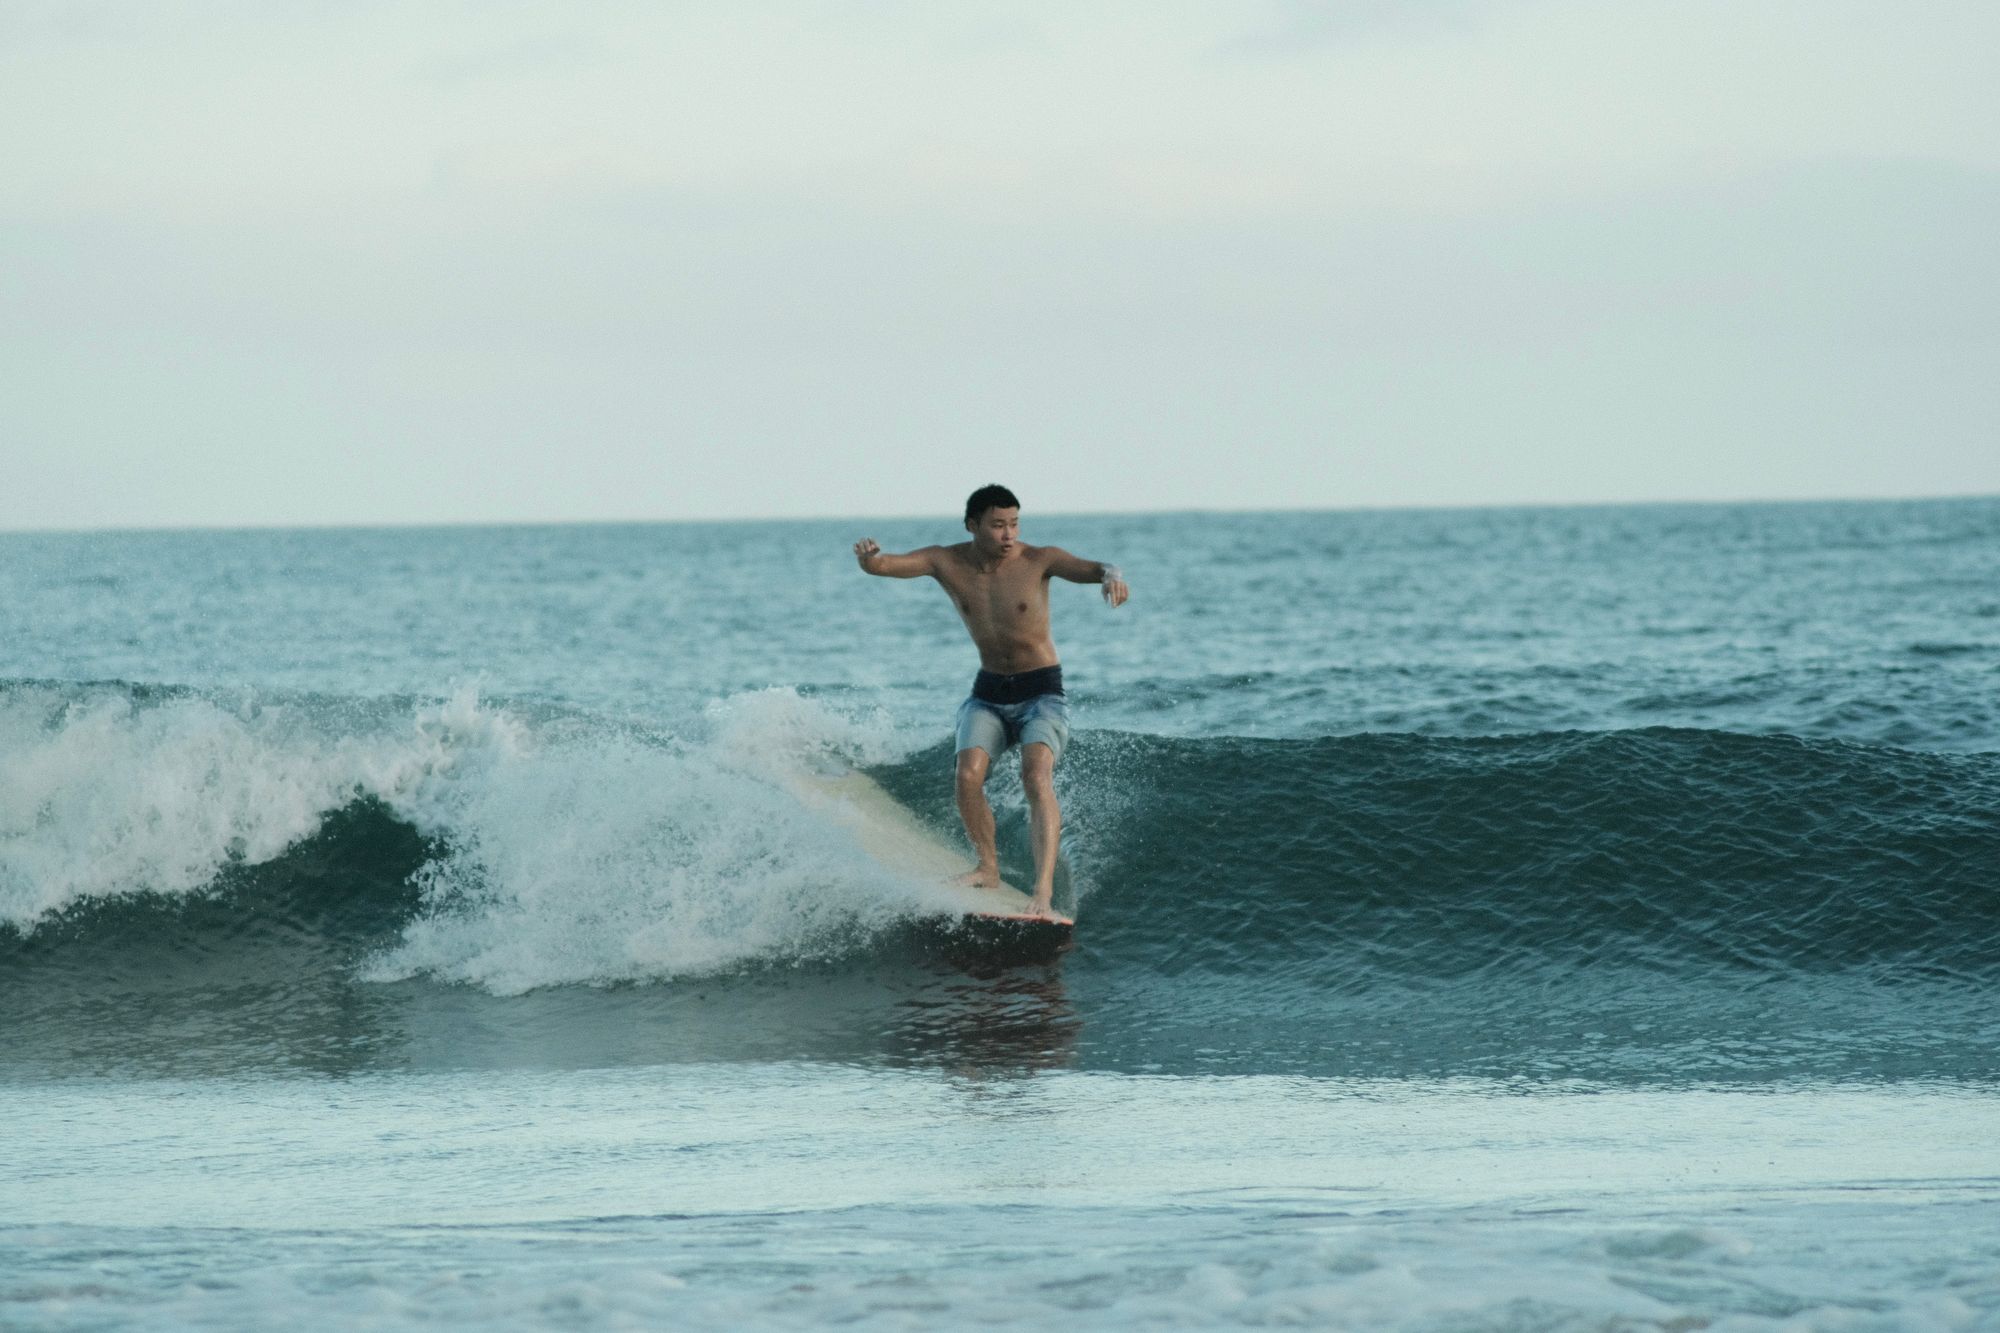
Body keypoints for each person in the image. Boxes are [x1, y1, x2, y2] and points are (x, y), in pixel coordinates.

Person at [853, 484, 1128, 919]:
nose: (1009, 534)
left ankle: (1042, 890)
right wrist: (870, 559)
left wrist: (1112, 576)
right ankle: (988, 868)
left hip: (1041, 693)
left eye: (1014, 523)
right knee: (967, 775)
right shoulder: (946, 561)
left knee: (1035, 777)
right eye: (998, 525)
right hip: (988, 693)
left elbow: (1099, 567)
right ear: (973, 525)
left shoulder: (1040, 560)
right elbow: (886, 566)